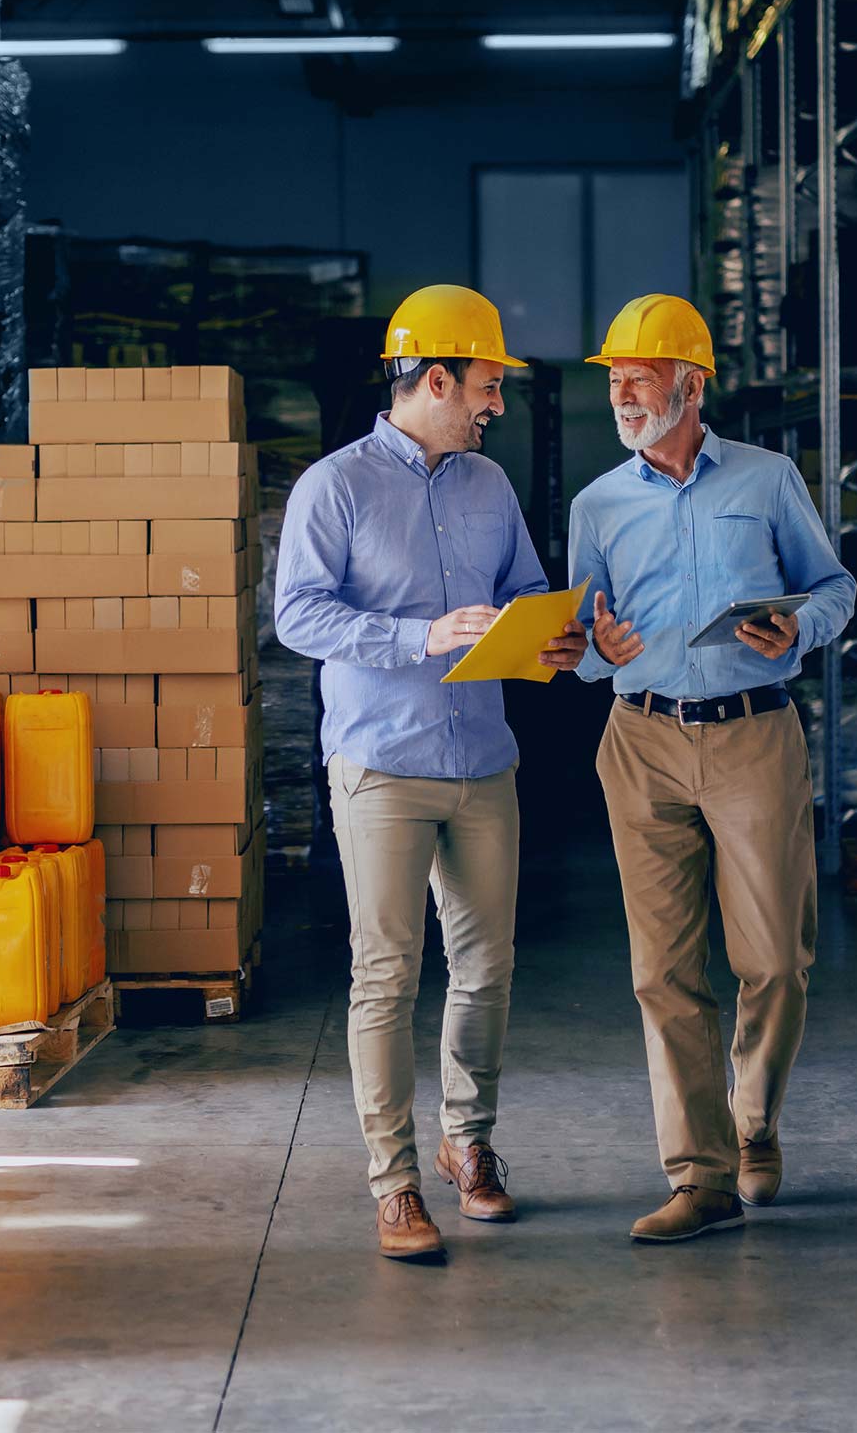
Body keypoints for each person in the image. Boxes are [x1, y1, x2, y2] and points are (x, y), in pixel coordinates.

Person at [272, 284, 580, 1262]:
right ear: (433, 379)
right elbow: (297, 616)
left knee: (486, 967)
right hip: (381, 762)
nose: (494, 405)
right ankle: (393, 1182)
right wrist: (417, 635)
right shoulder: (336, 485)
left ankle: (466, 1142)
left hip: (482, 757)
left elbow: (523, 593)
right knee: (385, 973)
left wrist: (547, 641)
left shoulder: (487, 488)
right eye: (485, 386)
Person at [551, 293, 857, 1244]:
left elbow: (836, 587)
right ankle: (700, 1172)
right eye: (614, 379)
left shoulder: (767, 482)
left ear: (692, 385)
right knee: (663, 971)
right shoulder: (596, 505)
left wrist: (796, 627)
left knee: (774, 958)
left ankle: (754, 1119)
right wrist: (593, 647)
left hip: (753, 733)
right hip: (639, 738)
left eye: (640, 377)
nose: (624, 393)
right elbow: (584, 644)